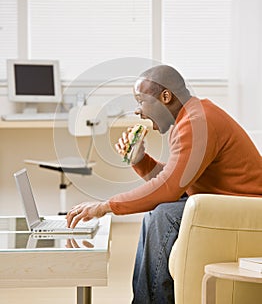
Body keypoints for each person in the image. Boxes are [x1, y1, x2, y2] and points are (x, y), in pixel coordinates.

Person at [66, 65, 262, 303]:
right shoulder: (190, 117)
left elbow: (168, 188)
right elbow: (176, 183)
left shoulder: (198, 122)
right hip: (225, 204)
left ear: (165, 97)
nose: (138, 111)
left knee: (162, 216)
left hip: (249, 211)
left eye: (141, 101)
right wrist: (140, 160)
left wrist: (105, 206)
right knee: (161, 213)